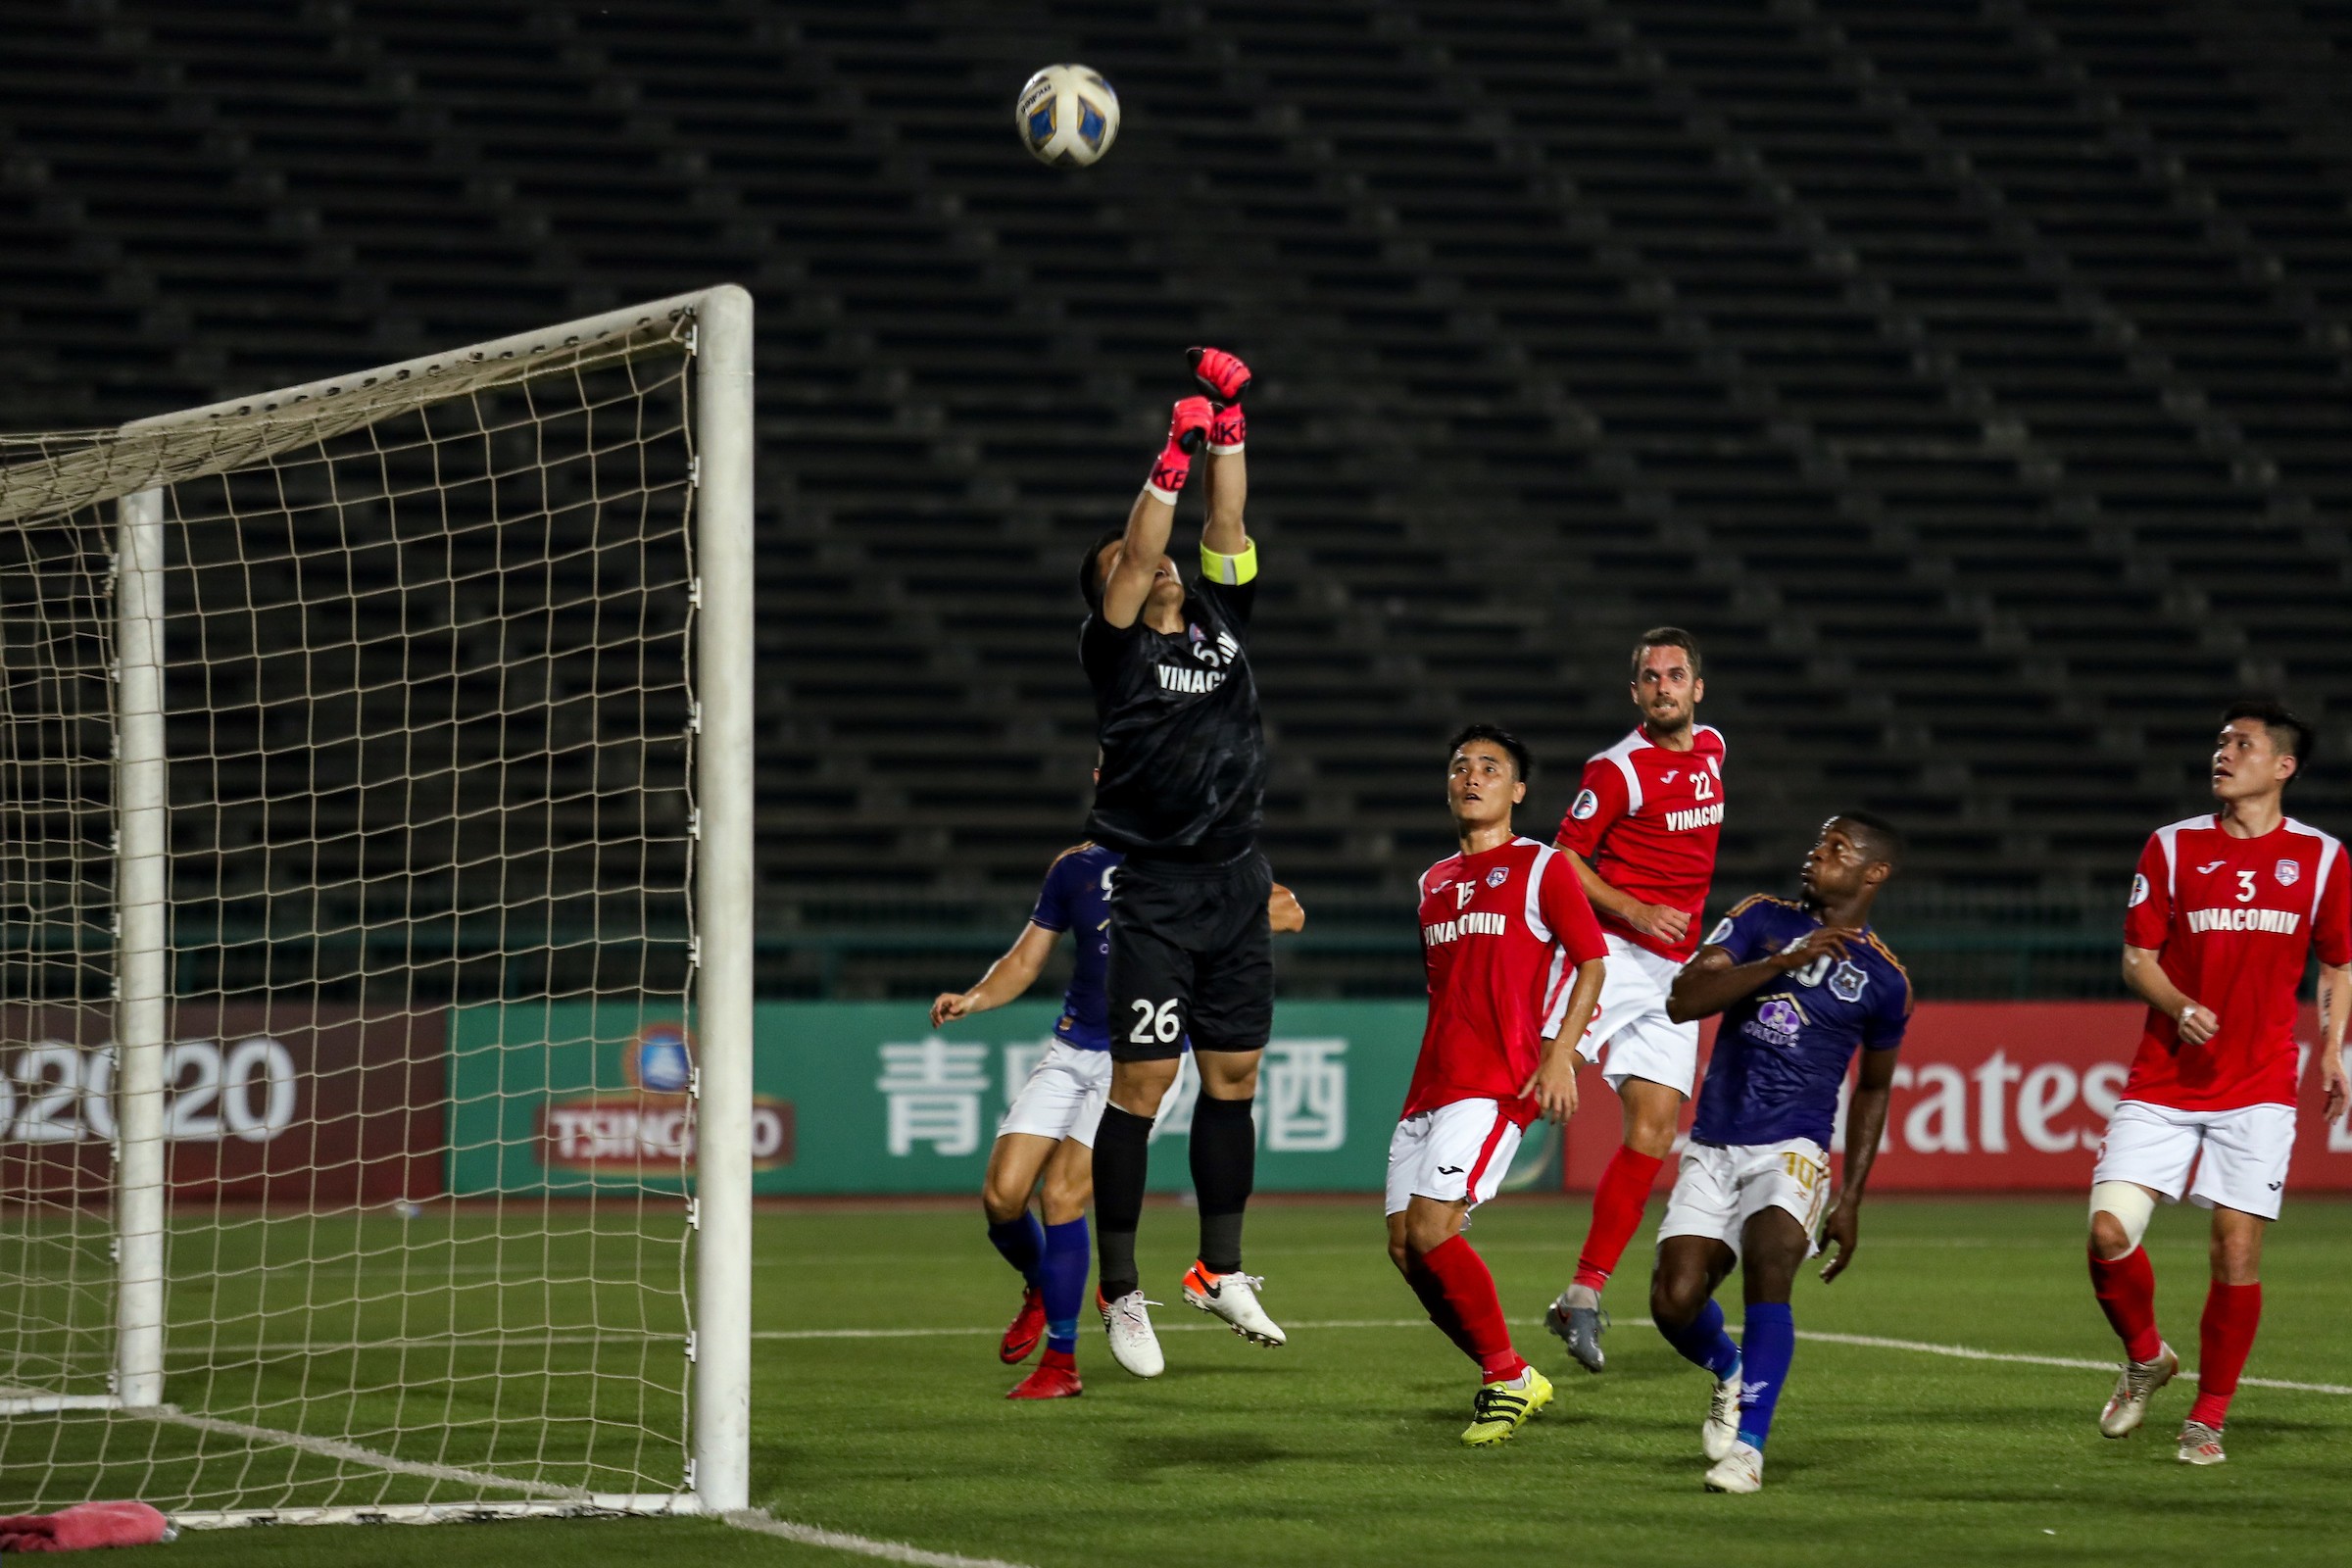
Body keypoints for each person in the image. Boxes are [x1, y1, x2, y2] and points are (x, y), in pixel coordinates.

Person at [1075, 346, 1281, 1377]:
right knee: (1144, 1084)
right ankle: (1119, 1290)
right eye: (1129, 558)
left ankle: (1220, 1267)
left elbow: (1224, 526)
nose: (1153, 562)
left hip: (1237, 878)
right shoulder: (1115, 645)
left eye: (1153, 554)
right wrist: (1173, 448)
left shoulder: (1220, 617)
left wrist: (1230, 429)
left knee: (1233, 1076)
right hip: (1155, 887)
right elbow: (1153, 532)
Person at [933, 835, 1303, 1399]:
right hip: (1071, 1049)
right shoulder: (1075, 867)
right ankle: (1041, 1282)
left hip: (1143, 1057)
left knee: (1060, 1196)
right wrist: (975, 998)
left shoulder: (1193, 858)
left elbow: (1287, 910)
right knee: (1003, 1198)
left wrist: (1206, 917)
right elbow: (1027, 958)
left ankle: (1062, 1362)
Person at [2087, 698, 2350, 1465]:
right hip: (2166, 1075)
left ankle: (2208, 1415)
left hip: (2261, 1082)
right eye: (2220, 742)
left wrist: (2333, 1047)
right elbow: (2137, 957)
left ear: (2283, 767)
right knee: (2107, 1235)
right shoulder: (2171, 848)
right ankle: (2146, 1357)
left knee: (2235, 1255)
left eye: (2242, 744)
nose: (2223, 754)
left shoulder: (2325, 858)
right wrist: (2178, 1004)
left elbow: (2337, 961)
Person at [1647, 813, 1910, 1494]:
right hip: (1714, 1142)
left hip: (1793, 1146)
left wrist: (1850, 1198)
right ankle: (1731, 1373)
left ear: (1873, 873)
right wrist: (1778, 964)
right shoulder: (1759, 919)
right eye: (1818, 842)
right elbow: (1683, 1000)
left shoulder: (1885, 980)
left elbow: (1875, 1088)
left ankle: (1750, 1450)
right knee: (1674, 1302)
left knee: (1771, 1262)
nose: (1815, 853)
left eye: (1836, 848)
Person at [1389, 724, 1606, 1446]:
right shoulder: (1433, 883)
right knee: (1404, 1248)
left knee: (1432, 1228)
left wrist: (1559, 1057)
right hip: (1432, 1085)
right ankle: (1510, 1370)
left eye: (1489, 767)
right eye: (1459, 767)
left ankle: (1501, 1379)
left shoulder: (1544, 868)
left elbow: (1591, 963)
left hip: (1496, 1083)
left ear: (1516, 791)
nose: (1470, 777)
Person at [1542, 627, 1727, 1372]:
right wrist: (1634, 908)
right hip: (1612, 957)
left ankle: (1581, 1297)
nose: (1663, 687)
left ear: (1696, 688)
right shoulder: (1617, 770)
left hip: (1671, 976)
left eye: (1675, 675)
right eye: (1650, 678)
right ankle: (1444, 1202)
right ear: (1635, 693)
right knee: (1534, 1083)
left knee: (1653, 1134)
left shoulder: (1713, 749)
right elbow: (1564, 859)